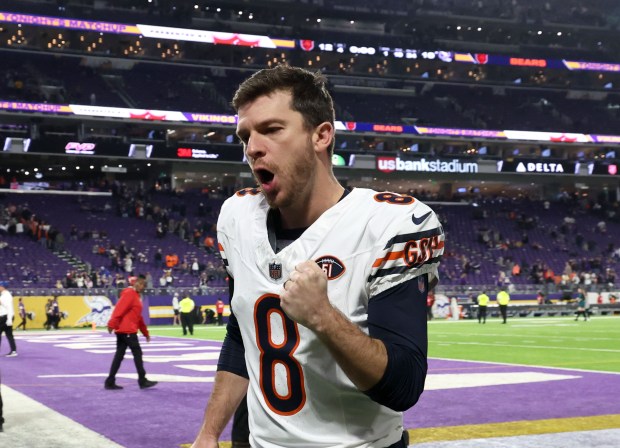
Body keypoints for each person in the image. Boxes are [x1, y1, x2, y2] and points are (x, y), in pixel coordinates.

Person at [191, 65, 443, 448]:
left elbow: (403, 386)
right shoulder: (236, 217)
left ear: (321, 135)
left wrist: (322, 316)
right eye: (245, 135)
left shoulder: (389, 224)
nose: (252, 147)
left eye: (272, 130)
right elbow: (242, 335)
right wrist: (209, 432)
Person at [105, 274, 157, 390]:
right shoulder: (130, 294)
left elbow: (138, 317)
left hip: (124, 331)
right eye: (141, 284)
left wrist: (145, 332)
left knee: (119, 356)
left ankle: (110, 381)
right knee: (137, 354)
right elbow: (119, 309)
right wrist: (111, 324)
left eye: (144, 285)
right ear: (135, 283)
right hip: (127, 330)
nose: (143, 287)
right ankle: (142, 380)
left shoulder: (135, 295)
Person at [0, 282, 17, 356]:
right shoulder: (5, 295)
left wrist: (9, 319)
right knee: (9, 334)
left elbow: (9, 308)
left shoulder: (6, 296)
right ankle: (13, 350)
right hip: (6, 317)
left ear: (3, 287)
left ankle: (13, 351)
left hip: (5, 317)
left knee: (8, 334)